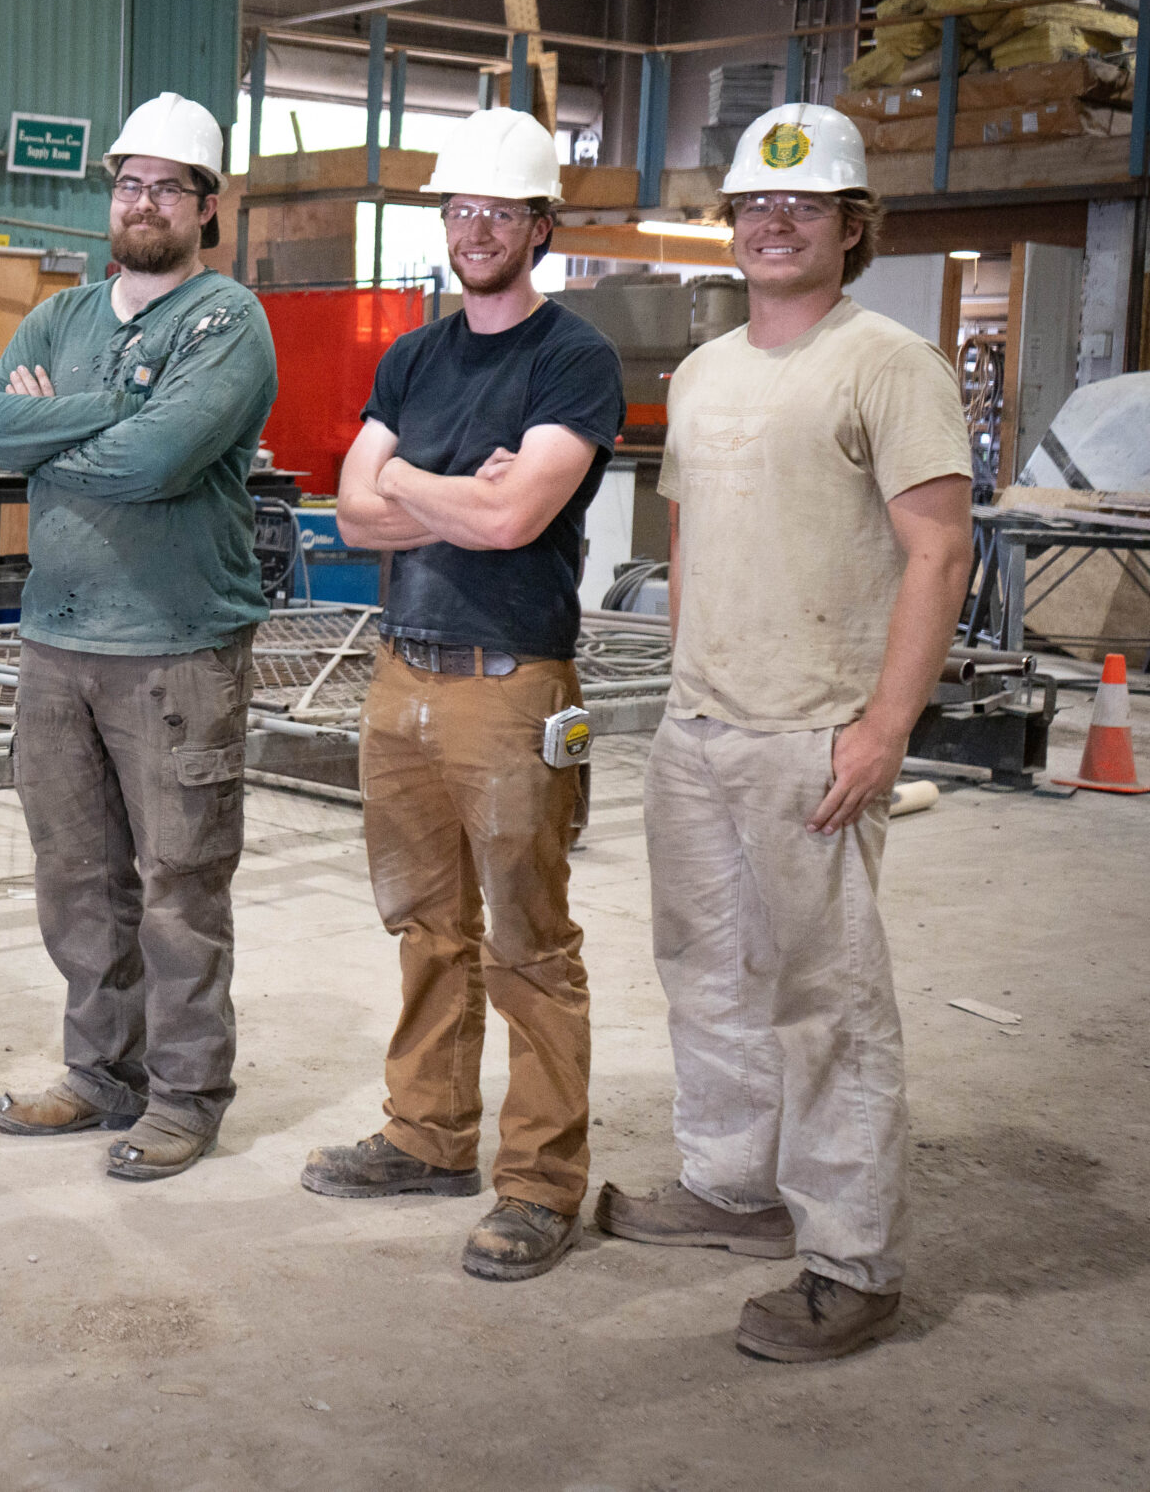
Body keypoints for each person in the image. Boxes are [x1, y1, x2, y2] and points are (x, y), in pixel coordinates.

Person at [597, 103, 972, 1361]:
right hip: (699, 727)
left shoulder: (887, 364)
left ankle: (851, 1259)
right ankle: (734, 1189)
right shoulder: (703, 372)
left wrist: (882, 729)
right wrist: (682, 692)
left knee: (826, 1002)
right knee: (706, 975)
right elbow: (692, 540)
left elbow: (937, 549)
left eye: (802, 205)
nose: (772, 220)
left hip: (814, 734)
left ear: (851, 226)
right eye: (755, 203)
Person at [301, 108, 624, 1282]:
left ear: (539, 226)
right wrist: (457, 489)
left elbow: (513, 517)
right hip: (404, 671)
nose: (474, 230)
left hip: (510, 679)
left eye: (497, 212)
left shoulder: (572, 358)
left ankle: (539, 1184)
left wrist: (417, 487)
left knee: (528, 943)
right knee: (425, 926)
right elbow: (350, 512)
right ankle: (427, 1135)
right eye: (457, 211)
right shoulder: (413, 354)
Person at [0, 92, 275, 1181]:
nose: (142, 203)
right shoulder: (59, 318)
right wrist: (109, 413)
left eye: (166, 187)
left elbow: (161, 462)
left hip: (177, 649)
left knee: (180, 882)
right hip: (56, 644)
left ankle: (187, 1094)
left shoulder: (226, 319)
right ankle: (102, 1073)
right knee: (77, 878)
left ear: (205, 206)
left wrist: (59, 433)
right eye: (127, 182)